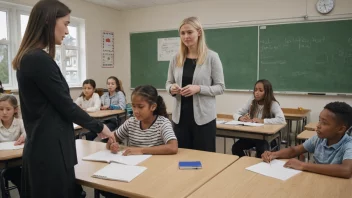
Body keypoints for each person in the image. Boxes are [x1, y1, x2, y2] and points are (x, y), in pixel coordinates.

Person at [12, 1, 114, 197]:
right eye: (65, 23)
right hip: (50, 151)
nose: (67, 31)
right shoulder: (37, 59)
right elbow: (66, 106)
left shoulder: (31, 58)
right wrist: (100, 127)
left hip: (47, 147)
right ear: (49, 21)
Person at [102, 85, 178, 198]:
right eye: (133, 106)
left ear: (153, 107)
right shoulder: (131, 122)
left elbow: (172, 147)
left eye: (140, 107)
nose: (136, 111)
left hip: (154, 172)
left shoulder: (163, 123)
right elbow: (113, 138)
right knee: (107, 188)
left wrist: (140, 150)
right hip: (132, 170)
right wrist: (112, 144)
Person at [166, 16, 225, 152]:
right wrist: (172, 88)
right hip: (180, 119)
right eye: (182, 33)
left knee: (205, 159)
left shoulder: (212, 57)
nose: (186, 36)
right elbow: (168, 82)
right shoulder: (176, 58)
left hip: (203, 120)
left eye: (189, 32)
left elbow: (220, 87)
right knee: (182, 157)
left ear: (198, 32)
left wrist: (198, 88)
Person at [262, 101, 352, 179]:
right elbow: (294, 150)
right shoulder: (319, 139)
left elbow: (346, 170)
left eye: (324, 123)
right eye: (319, 120)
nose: (318, 125)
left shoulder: (348, 144)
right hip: (315, 179)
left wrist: (303, 165)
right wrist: (274, 154)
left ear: (340, 129)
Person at [232, 79, 286, 157]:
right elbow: (236, 113)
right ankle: (244, 162)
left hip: (266, 138)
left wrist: (262, 121)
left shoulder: (273, 104)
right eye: (255, 90)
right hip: (252, 136)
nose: (257, 93)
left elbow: (282, 120)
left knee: (262, 150)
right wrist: (240, 118)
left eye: (260, 90)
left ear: (267, 92)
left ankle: (259, 166)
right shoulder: (252, 101)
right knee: (236, 148)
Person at [85, 76, 126, 141]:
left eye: (112, 84)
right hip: (104, 119)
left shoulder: (119, 94)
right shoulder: (105, 95)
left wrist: (109, 106)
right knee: (89, 133)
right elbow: (99, 105)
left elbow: (122, 107)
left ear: (116, 85)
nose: (110, 85)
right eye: (108, 84)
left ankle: (108, 144)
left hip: (115, 120)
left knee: (103, 133)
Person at [0, 95, 25, 194]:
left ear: (15, 110)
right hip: (3, 163)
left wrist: (24, 136)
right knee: (18, 175)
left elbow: (27, 131)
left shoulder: (19, 122)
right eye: (1, 109)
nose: (4, 112)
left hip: (18, 160)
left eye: (8, 109)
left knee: (24, 176)